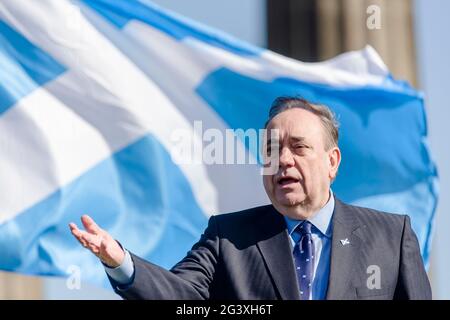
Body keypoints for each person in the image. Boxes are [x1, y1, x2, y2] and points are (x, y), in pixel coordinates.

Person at [69, 96, 432, 300]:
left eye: (299, 148)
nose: (283, 160)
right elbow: (180, 298)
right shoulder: (229, 237)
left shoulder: (391, 237)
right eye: (272, 150)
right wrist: (120, 261)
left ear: (332, 161)